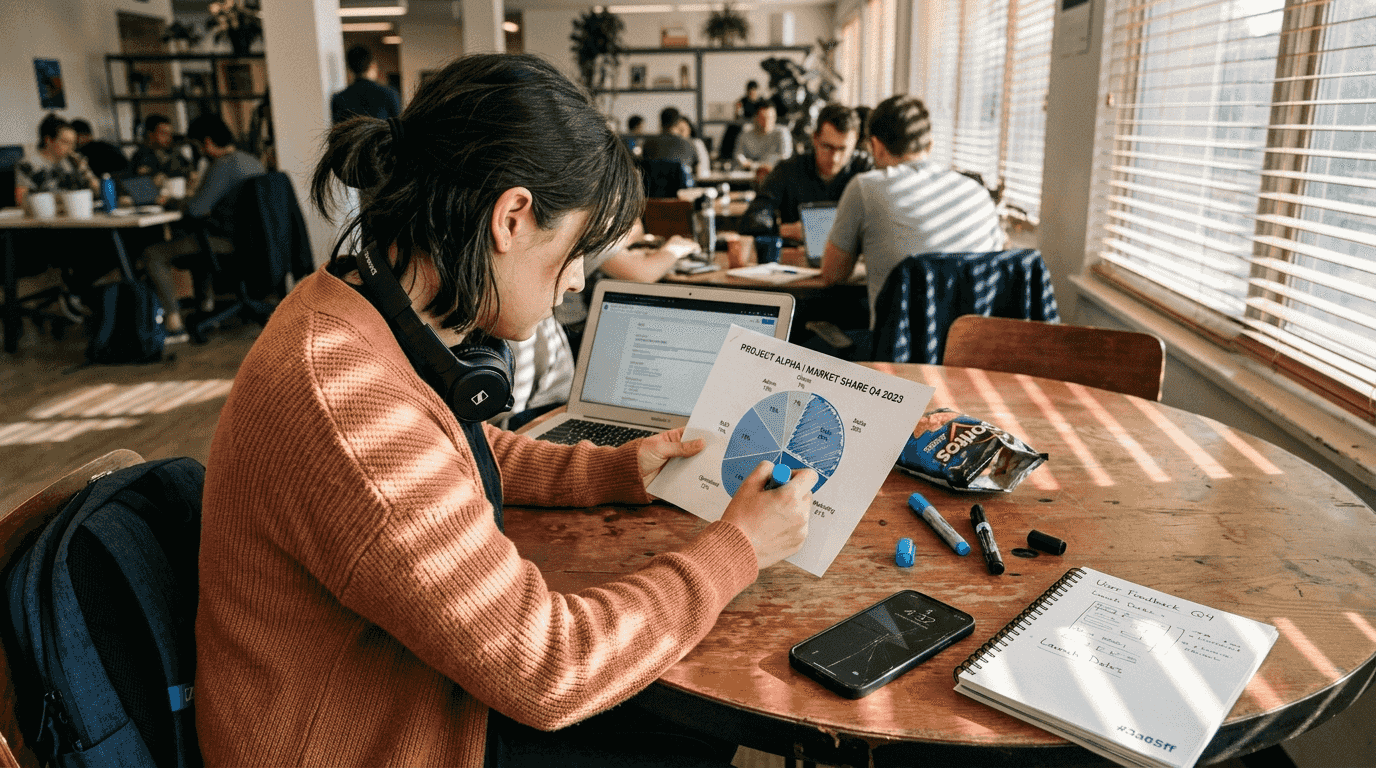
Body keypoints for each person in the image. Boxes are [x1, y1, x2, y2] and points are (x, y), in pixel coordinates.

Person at [196, 53, 812, 767]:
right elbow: (549, 669)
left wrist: (611, 470)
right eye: (576, 249)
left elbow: (452, 448)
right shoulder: (347, 402)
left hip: (407, 690)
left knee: (687, 724)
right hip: (378, 736)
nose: (577, 280)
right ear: (512, 218)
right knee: (687, 732)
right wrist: (738, 549)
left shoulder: (353, 306)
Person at [821, 94, 1006, 327]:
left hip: (898, 354)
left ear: (876, 146)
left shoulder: (865, 187)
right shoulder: (977, 192)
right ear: (930, 145)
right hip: (970, 351)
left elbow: (831, 274)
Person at [139, 114, 265, 342]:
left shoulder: (223, 165)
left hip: (228, 242)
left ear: (206, 143)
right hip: (256, 241)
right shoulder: (251, 160)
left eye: (197, 146)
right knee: (196, 241)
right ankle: (206, 308)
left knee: (153, 253)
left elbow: (197, 208)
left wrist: (169, 201)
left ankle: (174, 324)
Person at [739, 103, 873, 240]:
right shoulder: (789, 169)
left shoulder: (866, 170)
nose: (835, 158)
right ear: (815, 138)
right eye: (827, 147)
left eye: (842, 149)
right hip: (795, 257)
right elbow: (752, 219)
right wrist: (785, 230)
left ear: (855, 141)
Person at [14, 114, 99, 203]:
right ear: (48, 140)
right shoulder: (27, 165)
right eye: (65, 142)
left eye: (73, 143)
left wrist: (86, 173)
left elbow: (97, 192)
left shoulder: (72, 161)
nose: (71, 148)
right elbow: (20, 200)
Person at [332, 44, 402, 124]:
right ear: (372, 65)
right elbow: (398, 127)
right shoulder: (389, 94)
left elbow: (337, 131)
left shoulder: (339, 99)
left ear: (349, 67)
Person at [129, 115, 194, 187]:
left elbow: (189, 170)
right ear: (150, 135)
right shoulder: (141, 156)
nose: (168, 138)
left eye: (170, 134)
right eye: (163, 133)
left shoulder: (173, 153)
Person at [734, 101, 792, 175]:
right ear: (755, 118)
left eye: (770, 118)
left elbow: (785, 159)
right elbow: (738, 156)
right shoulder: (745, 134)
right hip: (749, 177)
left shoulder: (782, 133)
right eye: (763, 118)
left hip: (776, 176)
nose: (767, 122)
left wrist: (754, 165)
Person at [638, 106, 698, 170]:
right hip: (680, 179)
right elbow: (696, 167)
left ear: (661, 122)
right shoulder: (688, 144)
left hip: (656, 179)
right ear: (677, 123)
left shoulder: (648, 143)